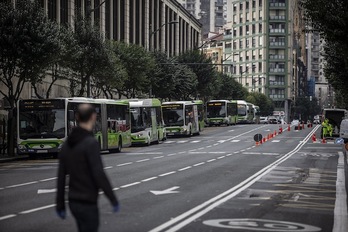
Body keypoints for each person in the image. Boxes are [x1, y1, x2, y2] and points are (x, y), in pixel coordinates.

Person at [56, 104, 119, 232]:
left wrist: (60, 205)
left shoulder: (67, 145)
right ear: (94, 117)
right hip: (88, 200)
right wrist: (112, 198)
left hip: (73, 201)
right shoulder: (91, 143)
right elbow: (98, 173)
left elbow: (61, 177)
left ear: (77, 117)